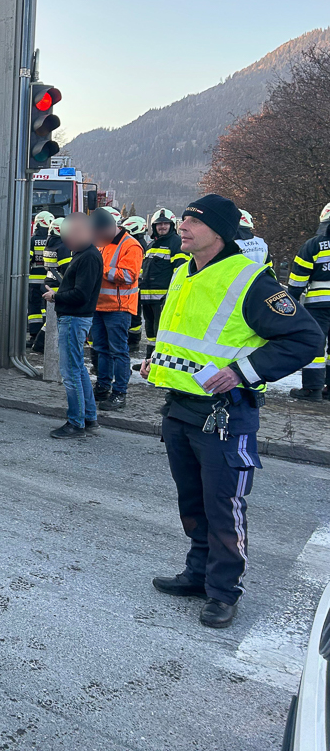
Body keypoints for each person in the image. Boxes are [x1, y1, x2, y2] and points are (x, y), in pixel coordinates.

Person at [141, 194, 321, 628]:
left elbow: (306, 338)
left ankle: (224, 592)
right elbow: (185, 337)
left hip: (224, 415)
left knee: (224, 507)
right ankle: (198, 574)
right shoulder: (184, 271)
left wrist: (243, 372)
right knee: (193, 502)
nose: (182, 226)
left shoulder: (250, 279)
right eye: (183, 219)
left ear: (219, 233)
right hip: (180, 409)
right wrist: (155, 361)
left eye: (193, 221)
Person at [43, 213, 103, 438]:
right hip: (75, 318)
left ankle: (76, 423)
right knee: (78, 369)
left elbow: (81, 294)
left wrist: (56, 297)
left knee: (70, 374)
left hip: (74, 318)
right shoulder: (84, 254)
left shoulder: (88, 257)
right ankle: (89, 418)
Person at [91, 208, 142, 410]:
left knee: (118, 351)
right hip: (100, 306)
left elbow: (129, 276)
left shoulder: (131, 245)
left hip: (119, 308)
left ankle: (120, 392)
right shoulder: (102, 242)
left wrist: (99, 269)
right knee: (101, 349)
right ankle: (103, 387)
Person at [287, 202, 330, 401]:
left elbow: (298, 278)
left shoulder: (313, 245)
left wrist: (292, 300)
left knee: (316, 344)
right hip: (319, 306)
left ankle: (312, 389)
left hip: (318, 305)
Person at [140, 209, 188, 360]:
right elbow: (143, 270)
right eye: (159, 224)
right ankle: (149, 361)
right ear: (154, 226)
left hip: (163, 299)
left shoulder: (176, 243)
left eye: (165, 224)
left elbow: (180, 272)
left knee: (161, 331)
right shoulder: (151, 244)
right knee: (150, 332)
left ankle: (159, 362)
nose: (162, 226)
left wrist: (171, 296)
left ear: (171, 225)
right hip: (147, 298)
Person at [32, 217, 71, 353]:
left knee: (52, 319)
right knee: (56, 319)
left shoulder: (51, 243)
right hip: (58, 286)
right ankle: (40, 344)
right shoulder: (63, 246)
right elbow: (66, 269)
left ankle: (40, 343)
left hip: (49, 283)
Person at [121, 216, 149, 351]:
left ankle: (133, 342)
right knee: (135, 316)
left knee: (135, 317)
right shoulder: (140, 243)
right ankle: (133, 341)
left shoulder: (136, 245)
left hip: (135, 286)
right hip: (137, 286)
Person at [28, 210, 54, 344]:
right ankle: (46, 334)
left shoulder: (33, 240)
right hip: (50, 280)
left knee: (34, 308)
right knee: (47, 307)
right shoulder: (53, 240)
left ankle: (34, 336)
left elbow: (28, 259)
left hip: (34, 280)